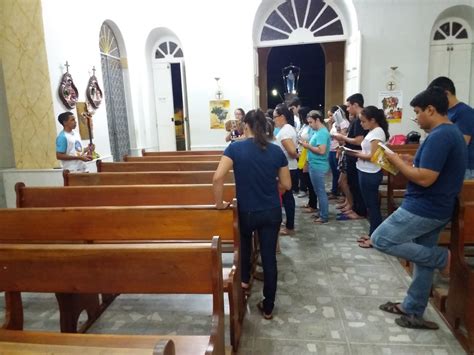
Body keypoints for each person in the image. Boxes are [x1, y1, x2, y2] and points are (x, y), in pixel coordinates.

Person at [371, 87, 466, 330]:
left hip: (424, 207)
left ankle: (442, 257)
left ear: (431, 110)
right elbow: (427, 169)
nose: (416, 118)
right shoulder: (446, 133)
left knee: (380, 239)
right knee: (422, 259)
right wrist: (405, 162)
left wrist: (394, 161)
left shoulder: (441, 136)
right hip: (434, 206)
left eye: (417, 112)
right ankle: (413, 309)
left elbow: (425, 178)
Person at [213, 109, 291, 320]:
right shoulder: (275, 151)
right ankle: (268, 306)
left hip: (247, 210)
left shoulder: (235, 148)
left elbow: (217, 177)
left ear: (245, 126)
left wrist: (220, 203)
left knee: (244, 247)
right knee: (268, 258)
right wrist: (273, 187)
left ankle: (245, 282)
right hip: (271, 211)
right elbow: (287, 184)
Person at [346, 106, 389, 246]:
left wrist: (352, 153)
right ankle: (373, 233)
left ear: (373, 120)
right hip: (364, 170)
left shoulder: (377, 133)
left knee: (372, 206)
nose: (361, 124)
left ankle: (375, 238)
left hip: (370, 172)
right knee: (370, 205)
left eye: (364, 121)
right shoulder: (372, 131)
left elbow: (372, 157)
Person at [427, 76, 474, 179]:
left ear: (447, 93)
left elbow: (461, 143)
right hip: (451, 165)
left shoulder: (464, 112)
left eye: (436, 97)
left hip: (466, 168)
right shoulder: (447, 112)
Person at [333, 93, 368, 220]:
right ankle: (354, 208)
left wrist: (342, 137)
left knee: (355, 184)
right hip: (351, 155)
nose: (347, 109)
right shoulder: (357, 119)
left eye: (348, 106)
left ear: (355, 105)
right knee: (352, 183)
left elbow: (359, 140)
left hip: (355, 155)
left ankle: (359, 211)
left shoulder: (360, 120)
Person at [300, 110, 331, 224]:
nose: (310, 125)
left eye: (311, 122)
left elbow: (322, 150)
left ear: (318, 120)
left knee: (320, 191)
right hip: (315, 164)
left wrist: (307, 146)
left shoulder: (322, 133)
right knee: (318, 191)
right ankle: (321, 212)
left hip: (319, 165)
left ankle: (324, 216)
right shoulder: (317, 131)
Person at [274, 104, 298, 235]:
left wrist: (297, 155)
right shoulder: (286, 129)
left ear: (282, 117)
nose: (274, 120)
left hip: (288, 168)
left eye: (275, 117)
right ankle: (289, 223)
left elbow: (292, 151)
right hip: (288, 167)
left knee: (288, 198)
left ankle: (290, 226)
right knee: (288, 197)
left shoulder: (285, 131)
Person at [327, 105, 350, 199]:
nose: (330, 117)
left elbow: (342, 137)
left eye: (331, 115)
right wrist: (330, 124)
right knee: (334, 172)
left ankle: (340, 192)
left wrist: (339, 148)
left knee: (339, 172)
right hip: (332, 149)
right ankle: (334, 190)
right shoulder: (334, 123)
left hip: (338, 149)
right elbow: (331, 134)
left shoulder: (344, 123)